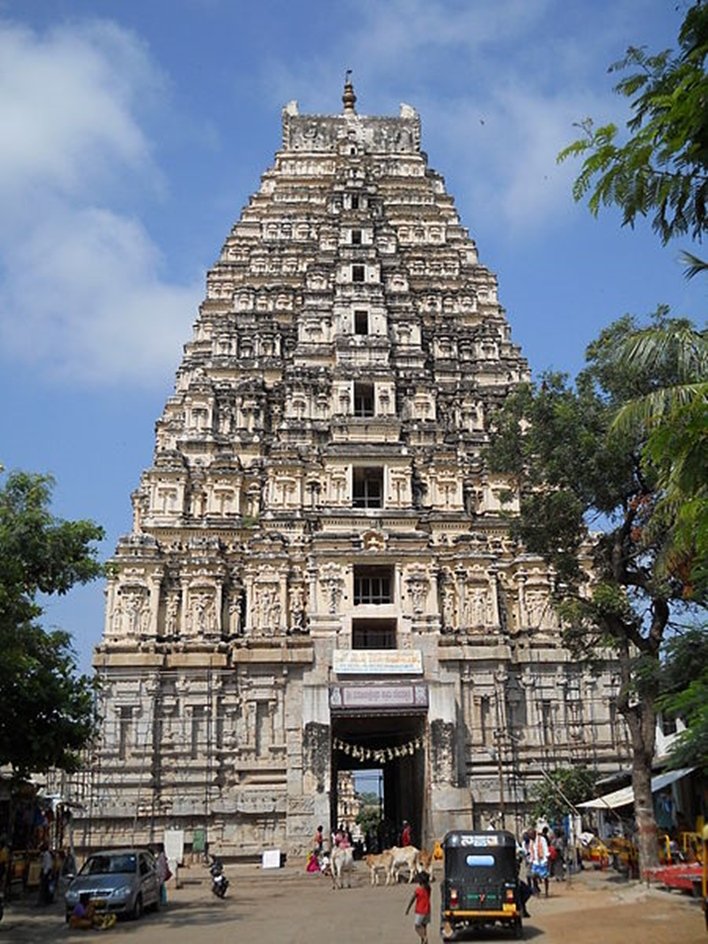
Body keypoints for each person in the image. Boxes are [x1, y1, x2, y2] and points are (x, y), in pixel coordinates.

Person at [405, 871, 431, 944]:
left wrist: (408, 909)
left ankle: (424, 938)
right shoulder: (428, 888)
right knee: (424, 926)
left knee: (417, 926)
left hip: (420, 910)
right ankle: (424, 942)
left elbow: (412, 899)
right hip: (427, 909)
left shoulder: (418, 890)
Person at [529, 828, 550, 898]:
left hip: (543, 861)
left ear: (535, 834)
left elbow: (545, 848)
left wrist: (547, 858)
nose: (530, 836)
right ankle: (537, 890)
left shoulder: (542, 839)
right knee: (533, 876)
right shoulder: (531, 841)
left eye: (531, 835)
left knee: (545, 877)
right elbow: (531, 851)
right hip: (535, 862)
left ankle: (546, 892)